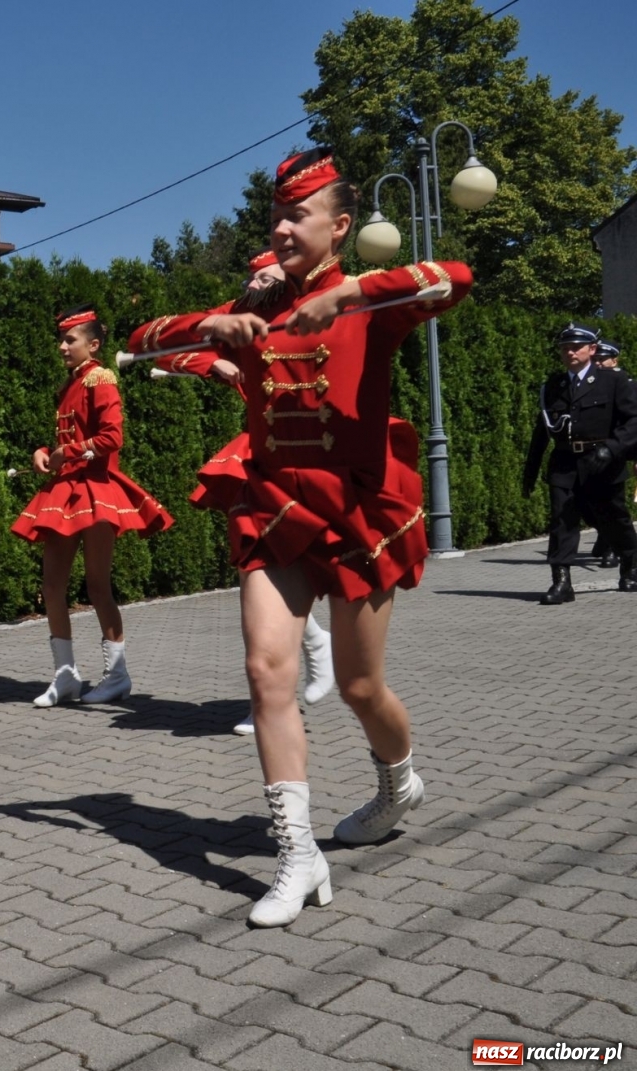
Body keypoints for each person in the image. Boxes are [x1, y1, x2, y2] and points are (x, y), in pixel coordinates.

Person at [129, 147, 473, 927]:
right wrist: (206, 323)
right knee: (264, 672)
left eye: (298, 215)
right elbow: (146, 336)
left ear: (340, 225)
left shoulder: (367, 302)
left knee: (358, 687)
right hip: (277, 509)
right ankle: (296, 855)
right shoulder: (252, 310)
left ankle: (397, 781)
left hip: (357, 511)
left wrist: (355, 290)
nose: (283, 227)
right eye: (275, 216)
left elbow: (454, 277)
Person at [158, 251, 335, 736]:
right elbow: (168, 347)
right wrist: (213, 361)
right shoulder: (241, 309)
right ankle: (280, 687)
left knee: (301, 564)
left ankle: (314, 651)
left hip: (314, 455)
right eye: (251, 273)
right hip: (258, 454)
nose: (253, 281)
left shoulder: (314, 306)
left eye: (264, 274)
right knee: (253, 565)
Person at [11, 306, 173, 708]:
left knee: (97, 584)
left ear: (94, 344)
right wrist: (44, 453)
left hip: (96, 490)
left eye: (71, 340)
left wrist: (70, 450)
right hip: (65, 490)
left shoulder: (101, 378)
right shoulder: (70, 383)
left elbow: (112, 438)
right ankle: (65, 676)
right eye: (62, 339)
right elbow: (67, 439)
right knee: (52, 585)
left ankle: (116, 676)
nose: (62, 346)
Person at [523, 324, 637, 600]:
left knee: (613, 518)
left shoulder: (614, 382)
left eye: (576, 347)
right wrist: (530, 470)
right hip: (565, 462)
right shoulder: (554, 385)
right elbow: (544, 429)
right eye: (565, 348)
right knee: (562, 520)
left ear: (592, 350)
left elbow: (634, 420)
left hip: (602, 462)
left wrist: (612, 448)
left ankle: (631, 564)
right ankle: (562, 582)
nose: (570, 352)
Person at [587, 340, 630, 568]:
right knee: (591, 506)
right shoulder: (588, 383)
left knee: (614, 505)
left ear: (614, 360)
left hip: (616, 452)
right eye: (595, 359)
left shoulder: (626, 384)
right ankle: (606, 538)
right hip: (591, 454)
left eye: (602, 359)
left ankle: (615, 549)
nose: (598, 363)